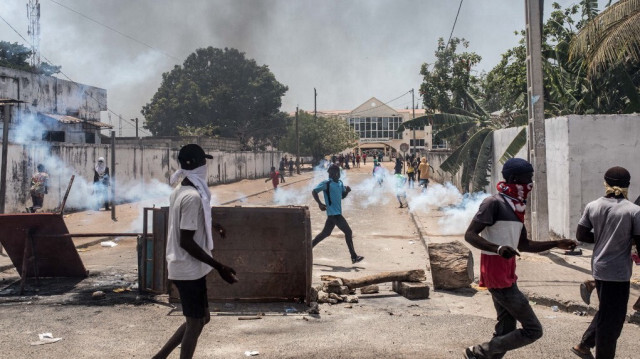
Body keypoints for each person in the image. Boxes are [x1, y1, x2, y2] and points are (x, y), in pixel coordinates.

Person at [463, 158, 577, 359]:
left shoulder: (517, 207)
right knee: (533, 330)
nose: (531, 181)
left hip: (507, 273)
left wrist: (555, 244)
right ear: (515, 178)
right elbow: (470, 235)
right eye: (528, 177)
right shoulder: (493, 203)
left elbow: (524, 245)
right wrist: (498, 249)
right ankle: (479, 352)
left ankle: (480, 356)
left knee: (506, 327)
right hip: (496, 274)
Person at [153, 144, 237, 359]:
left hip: (190, 268)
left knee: (201, 319)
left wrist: (213, 224)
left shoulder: (182, 190)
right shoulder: (192, 197)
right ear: (199, 165)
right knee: (196, 322)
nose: (206, 165)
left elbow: (192, 220)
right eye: (204, 161)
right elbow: (186, 242)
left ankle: (159, 357)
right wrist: (219, 266)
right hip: (187, 268)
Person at [571, 166, 640, 359]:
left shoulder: (593, 206)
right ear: (627, 185)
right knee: (612, 322)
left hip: (600, 268)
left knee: (608, 313)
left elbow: (581, 234)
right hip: (618, 273)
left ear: (606, 183)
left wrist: (603, 237)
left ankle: (583, 346)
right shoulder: (633, 211)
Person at [311, 164, 364, 264]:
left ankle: (308, 247)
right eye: (331, 173)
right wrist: (320, 204)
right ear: (335, 173)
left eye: (332, 173)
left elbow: (342, 196)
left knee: (325, 233)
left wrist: (347, 191)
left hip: (335, 214)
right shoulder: (326, 183)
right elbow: (314, 191)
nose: (331, 175)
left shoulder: (340, 183)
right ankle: (354, 257)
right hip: (334, 215)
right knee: (348, 232)